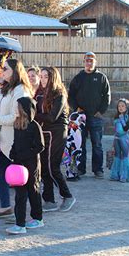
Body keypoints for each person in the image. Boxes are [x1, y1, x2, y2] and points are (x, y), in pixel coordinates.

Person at [0, 59, 32, 219]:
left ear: (15, 71)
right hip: (3, 140)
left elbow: (17, 115)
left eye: (5, 69)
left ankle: (23, 213)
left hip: (15, 140)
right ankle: (6, 207)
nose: (2, 71)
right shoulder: (5, 88)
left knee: (20, 178)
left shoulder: (20, 90)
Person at [35, 67, 76, 212]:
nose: (43, 79)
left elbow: (52, 117)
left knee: (53, 167)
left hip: (57, 133)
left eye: (46, 76)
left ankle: (68, 196)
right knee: (44, 168)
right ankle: (49, 200)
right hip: (44, 133)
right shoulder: (39, 93)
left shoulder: (59, 95)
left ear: (53, 78)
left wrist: (33, 115)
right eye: (42, 76)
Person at [68, 52, 111, 179]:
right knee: (80, 144)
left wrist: (101, 111)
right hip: (80, 117)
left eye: (91, 61)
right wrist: (76, 108)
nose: (89, 63)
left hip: (95, 116)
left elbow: (107, 96)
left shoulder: (101, 77)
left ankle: (98, 169)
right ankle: (81, 169)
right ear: (84, 62)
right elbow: (70, 96)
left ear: (95, 62)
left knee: (97, 144)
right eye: (87, 60)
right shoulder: (78, 78)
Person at [6, 97, 45, 235]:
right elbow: (16, 142)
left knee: (33, 191)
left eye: (18, 107)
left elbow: (40, 146)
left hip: (31, 164)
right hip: (18, 164)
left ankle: (37, 218)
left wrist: (26, 155)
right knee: (20, 194)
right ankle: (20, 223)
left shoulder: (34, 126)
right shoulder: (17, 124)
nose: (16, 109)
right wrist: (12, 152)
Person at [110, 98, 129, 183]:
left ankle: (124, 175)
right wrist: (113, 143)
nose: (120, 107)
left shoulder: (128, 118)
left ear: (127, 107)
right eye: (119, 106)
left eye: (123, 106)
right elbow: (116, 131)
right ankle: (116, 174)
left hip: (124, 139)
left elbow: (125, 129)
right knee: (117, 156)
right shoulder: (116, 117)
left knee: (124, 156)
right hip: (117, 139)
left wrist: (122, 119)